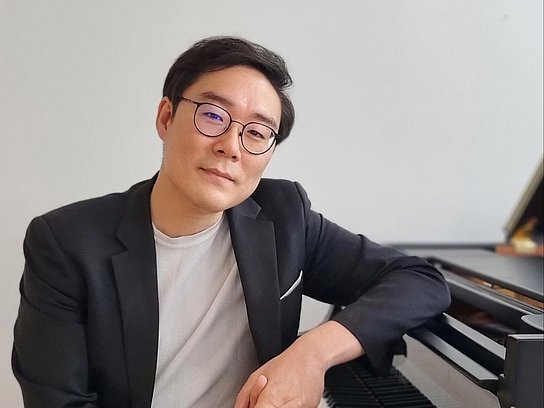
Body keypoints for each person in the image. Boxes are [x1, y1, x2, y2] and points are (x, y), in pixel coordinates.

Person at [12, 36, 450, 408]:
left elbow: (419, 281)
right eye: (213, 115)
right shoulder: (67, 243)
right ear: (166, 117)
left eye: (256, 132)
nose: (231, 146)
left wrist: (312, 352)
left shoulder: (284, 217)